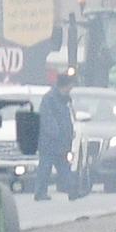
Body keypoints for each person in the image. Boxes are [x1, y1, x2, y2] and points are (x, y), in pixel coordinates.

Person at [34, 72, 75, 201]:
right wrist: (56, 134)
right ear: (64, 85)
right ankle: (40, 193)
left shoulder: (64, 99)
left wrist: (69, 133)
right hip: (50, 142)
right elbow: (47, 119)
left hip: (62, 141)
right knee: (46, 167)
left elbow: (66, 119)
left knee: (64, 168)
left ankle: (72, 191)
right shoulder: (50, 99)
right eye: (70, 86)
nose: (71, 89)